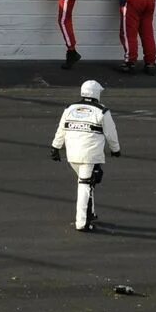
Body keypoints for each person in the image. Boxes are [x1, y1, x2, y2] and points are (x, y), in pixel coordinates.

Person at [50, 80, 122, 232]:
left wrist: (55, 148)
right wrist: (115, 149)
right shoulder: (101, 111)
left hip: (72, 154)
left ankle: (91, 213)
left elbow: (61, 129)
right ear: (96, 94)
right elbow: (111, 132)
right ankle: (82, 222)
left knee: (89, 183)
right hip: (89, 156)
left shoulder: (70, 108)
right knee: (85, 186)